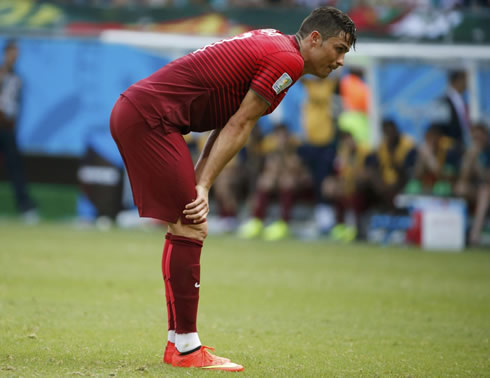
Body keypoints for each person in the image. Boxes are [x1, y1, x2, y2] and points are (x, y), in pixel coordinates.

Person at [110, 6, 356, 372]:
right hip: (152, 119)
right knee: (191, 223)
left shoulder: (276, 44)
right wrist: (204, 185)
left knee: (185, 224)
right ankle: (186, 348)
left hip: (146, 114)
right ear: (315, 38)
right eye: (338, 49)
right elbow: (240, 125)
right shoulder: (287, 61)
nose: (340, 61)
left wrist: (200, 182)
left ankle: (179, 344)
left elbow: (228, 122)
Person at [238, 123, 311, 241]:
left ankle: (284, 223)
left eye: (282, 136)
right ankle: (257, 221)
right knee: (266, 181)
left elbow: (296, 170)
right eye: (278, 136)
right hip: (278, 183)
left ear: (287, 137)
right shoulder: (271, 151)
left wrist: (282, 158)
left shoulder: (296, 150)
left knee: (287, 181)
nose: (280, 139)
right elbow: (271, 169)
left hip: (297, 185)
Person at [0, 40, 37, 220]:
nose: (15, 56)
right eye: (12, 52)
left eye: (17, 52)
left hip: (8, 129)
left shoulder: (16, 78)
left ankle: (25, 207)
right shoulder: (3, 74)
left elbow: (14, 106)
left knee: (16, 168)